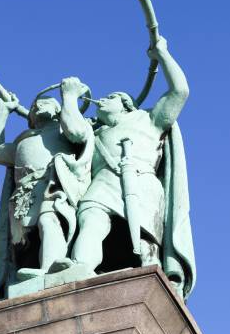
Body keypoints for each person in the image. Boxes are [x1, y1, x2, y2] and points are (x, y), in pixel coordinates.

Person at [59, 37, 195, 300]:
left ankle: (155, 291)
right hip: (104, 181)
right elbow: (73, 129)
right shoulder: (94, 133)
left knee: (145, 243)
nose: (102, 101)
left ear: (125, 104)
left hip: (141, 182)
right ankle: (81, 268)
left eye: (110, 97)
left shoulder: (149, 119)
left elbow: (180, 91)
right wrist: (69, 97)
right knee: (90, 219)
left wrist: (163, 54)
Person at [0, 92, 93, 300]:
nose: (38, 105)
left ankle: (51, 267)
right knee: (29, 241)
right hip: (24, 195)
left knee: (49, 220)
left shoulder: (65, 130)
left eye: (47, 102)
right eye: (35, 105)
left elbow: (78, 134)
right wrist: (2, 111)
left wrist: (69, 97)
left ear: (58, 111)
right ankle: (36, 272)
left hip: (54, 185)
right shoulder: (24, 140)